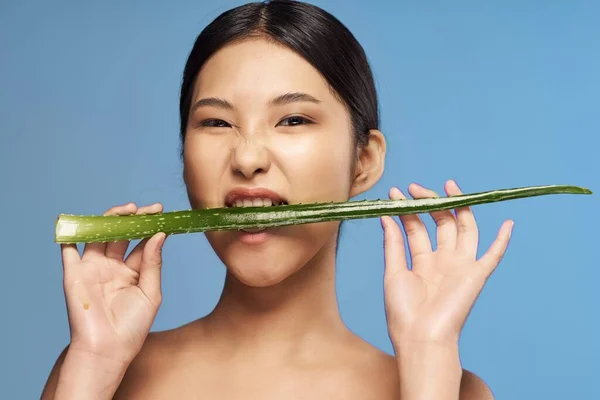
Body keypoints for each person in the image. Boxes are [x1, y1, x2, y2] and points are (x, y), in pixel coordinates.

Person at [41, 1, 513, 398]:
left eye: (292, 120)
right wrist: (93, 363)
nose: (247, 157)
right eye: (216, 124)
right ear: (185, 156)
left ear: (363, 160)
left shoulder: (451, 388)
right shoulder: (97, 372)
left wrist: (428, 357)